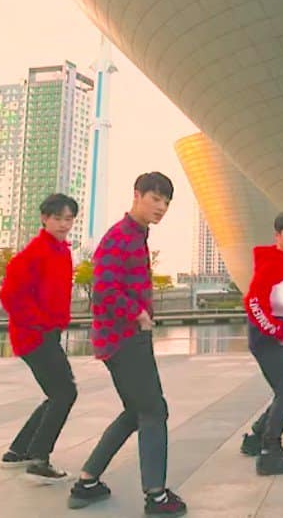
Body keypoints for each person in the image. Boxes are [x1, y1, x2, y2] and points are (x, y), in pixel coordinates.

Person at [67, 172, 187, 516]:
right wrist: (137, 313)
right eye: (155, 199)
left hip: (126, 338)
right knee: (154, 411)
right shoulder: (119, 237)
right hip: (123, 339)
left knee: (136, 411)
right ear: (137, 195)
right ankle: (156, 497)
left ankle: (87, 482)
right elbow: (104, 291)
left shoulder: (137, 234)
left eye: (166, 202)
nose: (161, 207)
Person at [0, 193, 79, 484]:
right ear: (45, 219)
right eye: (57, 218)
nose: (63, 224)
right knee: (65, 393)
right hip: (35, 335)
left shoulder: (62, 251)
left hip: (47, 333)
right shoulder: (34, 253)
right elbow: (9, 296)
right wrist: (40, 324)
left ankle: (18, 452)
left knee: (57, 393)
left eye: (69, 219)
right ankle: (38, 460)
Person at [239, 212, 283, 476]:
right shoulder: (269, 263)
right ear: (277, 235)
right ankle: (270, 452)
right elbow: (253, 302)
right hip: (266, 340)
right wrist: (277, 332)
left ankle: (256, 437)